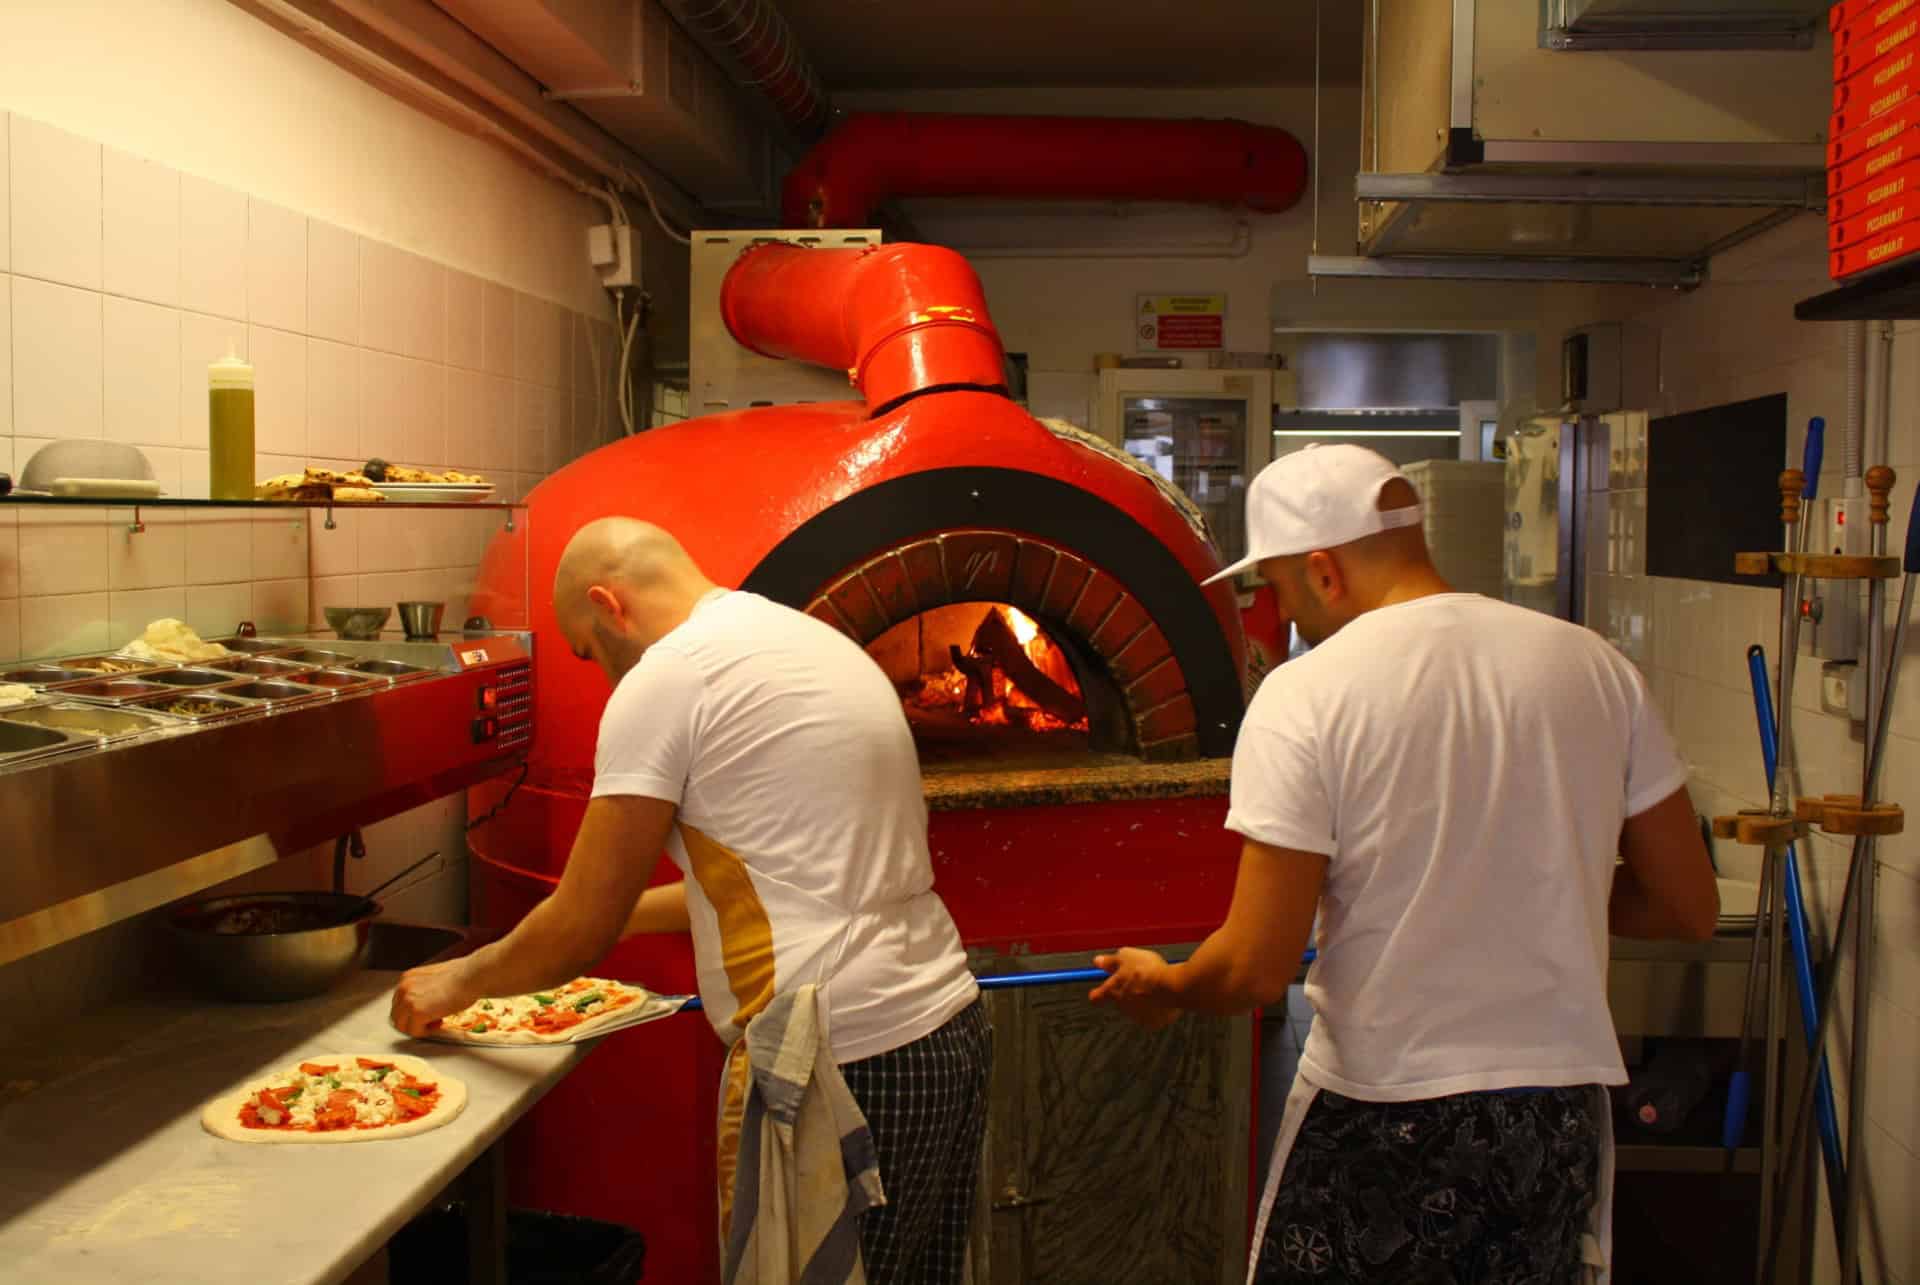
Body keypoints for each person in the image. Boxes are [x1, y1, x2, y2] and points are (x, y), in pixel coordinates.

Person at [1089, 445, 1718, 1285]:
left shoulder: (1308, 695)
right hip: (1556, 1114)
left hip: (1385, 1112)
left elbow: (1254, 964)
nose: (1281, 614)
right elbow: (1687, 906)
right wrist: (1529, 878)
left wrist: (1167, 988)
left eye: (1277, 588)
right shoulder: (1595, 666)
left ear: (1324, 570)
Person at [392, 517, 991, 1284]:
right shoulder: (802, 639)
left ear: (609, 605)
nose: (605, 676)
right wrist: (573, 925)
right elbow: (780, 881)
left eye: (591, 651)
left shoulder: (668, 678)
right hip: (946, 1029)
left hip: (843, 1063)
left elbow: (580, 929)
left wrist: (458, 980)